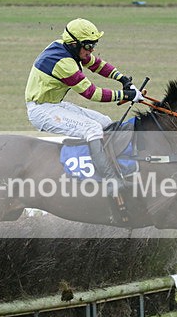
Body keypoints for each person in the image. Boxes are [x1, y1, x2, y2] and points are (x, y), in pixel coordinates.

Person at [25, 18, 144, 192]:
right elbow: (91, 93)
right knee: (92, 129)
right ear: (74, 44)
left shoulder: (68, 47)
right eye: (88, 46)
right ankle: (110, 180)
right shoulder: (63, 63)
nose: (92, 50)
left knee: (105, 122)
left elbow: (97, 64)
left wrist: (123, 79)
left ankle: (116, 165)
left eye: (94, 45)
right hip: (42, 110)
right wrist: (126, 95)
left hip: (54, 104)